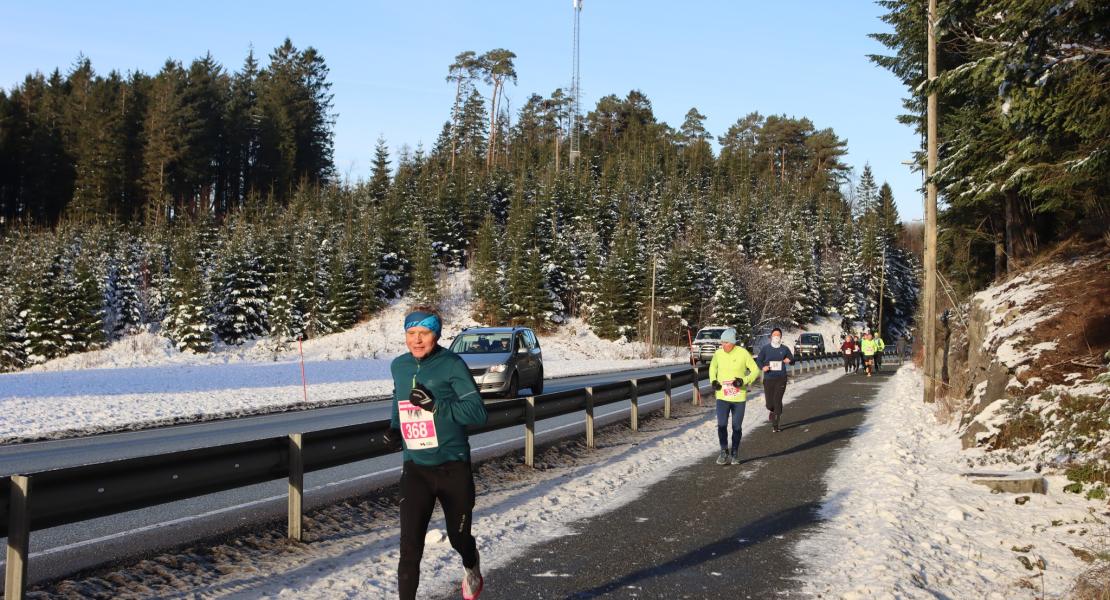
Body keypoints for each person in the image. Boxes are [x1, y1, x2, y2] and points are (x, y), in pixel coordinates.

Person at [388, 306, 489, 600]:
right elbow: (399, 400)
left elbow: (478, 412)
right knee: (409, 549)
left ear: (437, 334)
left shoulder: (452, 364)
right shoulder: (399, 366)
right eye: (411, 333)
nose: (417, 340)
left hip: (452, 466)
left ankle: (472, 565)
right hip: (416, 467)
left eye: (424, 333)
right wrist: (395, 429)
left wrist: (436, 406)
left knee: (458, 538)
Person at [708, 327, 760, 465]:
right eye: (722, 342)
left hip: (738, 397)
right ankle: (724, 451)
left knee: (736, 427)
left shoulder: (743, 353)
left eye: (725, 342)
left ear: (732, 343)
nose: (722, 345)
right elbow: (712, 368)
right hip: (722, 396)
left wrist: (744, 381)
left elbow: (755, 370)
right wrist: (713, 381)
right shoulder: (718, 354)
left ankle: (735, 453)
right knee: (722, 425)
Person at [755, 328, 795, 432]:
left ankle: (775, 425)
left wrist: (789, 360)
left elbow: (792, 360)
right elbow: (759, 360)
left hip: (781, 378)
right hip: (768, 378)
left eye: (778, 335)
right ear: (771, 337)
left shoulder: (785, 349)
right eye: (774, 335)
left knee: (777, 400)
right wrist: (763, 367)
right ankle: (773, 411)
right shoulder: (766, 349)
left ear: (781, 337)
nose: (776, 337)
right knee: (769, 404)